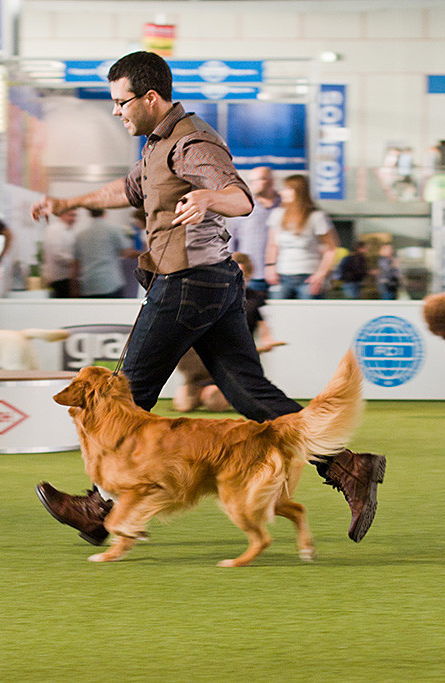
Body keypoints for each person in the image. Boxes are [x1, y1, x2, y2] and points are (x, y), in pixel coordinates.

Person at [30, 51, 383, 546]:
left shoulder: (191, 142)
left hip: (187, 284)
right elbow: (127, 189)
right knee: (248, 394)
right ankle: (349, 467)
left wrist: (207, 199)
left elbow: (239, 197)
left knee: (123, 390)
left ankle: (99, 506)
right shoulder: (157, 144)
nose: (116, 111)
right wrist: (68, 201)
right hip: (211, 284)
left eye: (120, 102)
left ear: (150, 97)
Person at [172, 252, 285, 412]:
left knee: (214, 403)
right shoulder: (210, 298)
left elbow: (263, 327)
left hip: (228, 363)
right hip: (200, 366)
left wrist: (267, 340)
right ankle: (196, 390)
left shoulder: (254, 300)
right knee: (183, 406)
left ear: (249, 276)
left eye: (242, 276)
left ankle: (213, 390)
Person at [263, 174, 339, 299]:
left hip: (308, 277)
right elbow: (272, 244)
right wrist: (270, 266)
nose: (281, 193)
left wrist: (320, 275)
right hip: (282, 276)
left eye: (286, 189)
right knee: (280, 315)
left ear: (297, 191)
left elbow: (331, 248)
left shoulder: (316, 216)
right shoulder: (278, 214)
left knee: (308, 316)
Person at [227, 165, 280, 293]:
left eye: (259, 180)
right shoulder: (243, 208)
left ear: (271, 181)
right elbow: (231, 241)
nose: (253, 184)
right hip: (251, 275)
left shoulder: (285, 206)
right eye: (251, 181)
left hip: (280, 275)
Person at [71, 208, 139, 298]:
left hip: (88, 285)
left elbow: (76, 264)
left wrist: (74, 287)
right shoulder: (113, 229)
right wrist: (145, 253)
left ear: (89, 214)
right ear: (104, 212)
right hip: (110, 283)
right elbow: (128, 252)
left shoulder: (81, 235)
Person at [40, 208, 79, 298]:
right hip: (59, 279)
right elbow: (57, 255)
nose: (73, 218)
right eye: (71, 215)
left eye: (75, 216)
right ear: (62, 215)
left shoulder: (70, 231)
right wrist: (75, 262)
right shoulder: (55, 230)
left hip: (68, 278)